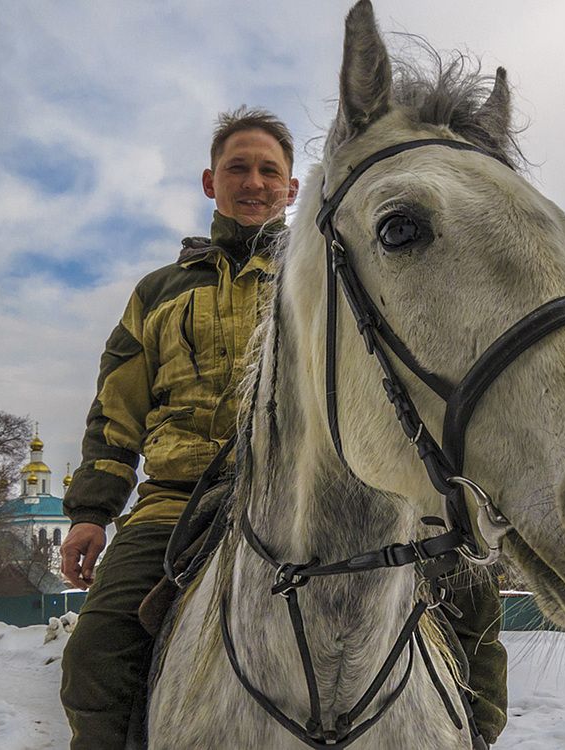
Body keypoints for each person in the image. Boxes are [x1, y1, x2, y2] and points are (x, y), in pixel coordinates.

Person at [59, 107, 507, 748]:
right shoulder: (158, 293)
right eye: (237, 167)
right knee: (95, 656)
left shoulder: (333, 276)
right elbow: (115, 413)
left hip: (327, 489)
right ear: (210, 182)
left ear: (293, 190)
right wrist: (90, 513)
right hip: (179, 502)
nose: (255, 181)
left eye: (271, 171)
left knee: (474, 609)